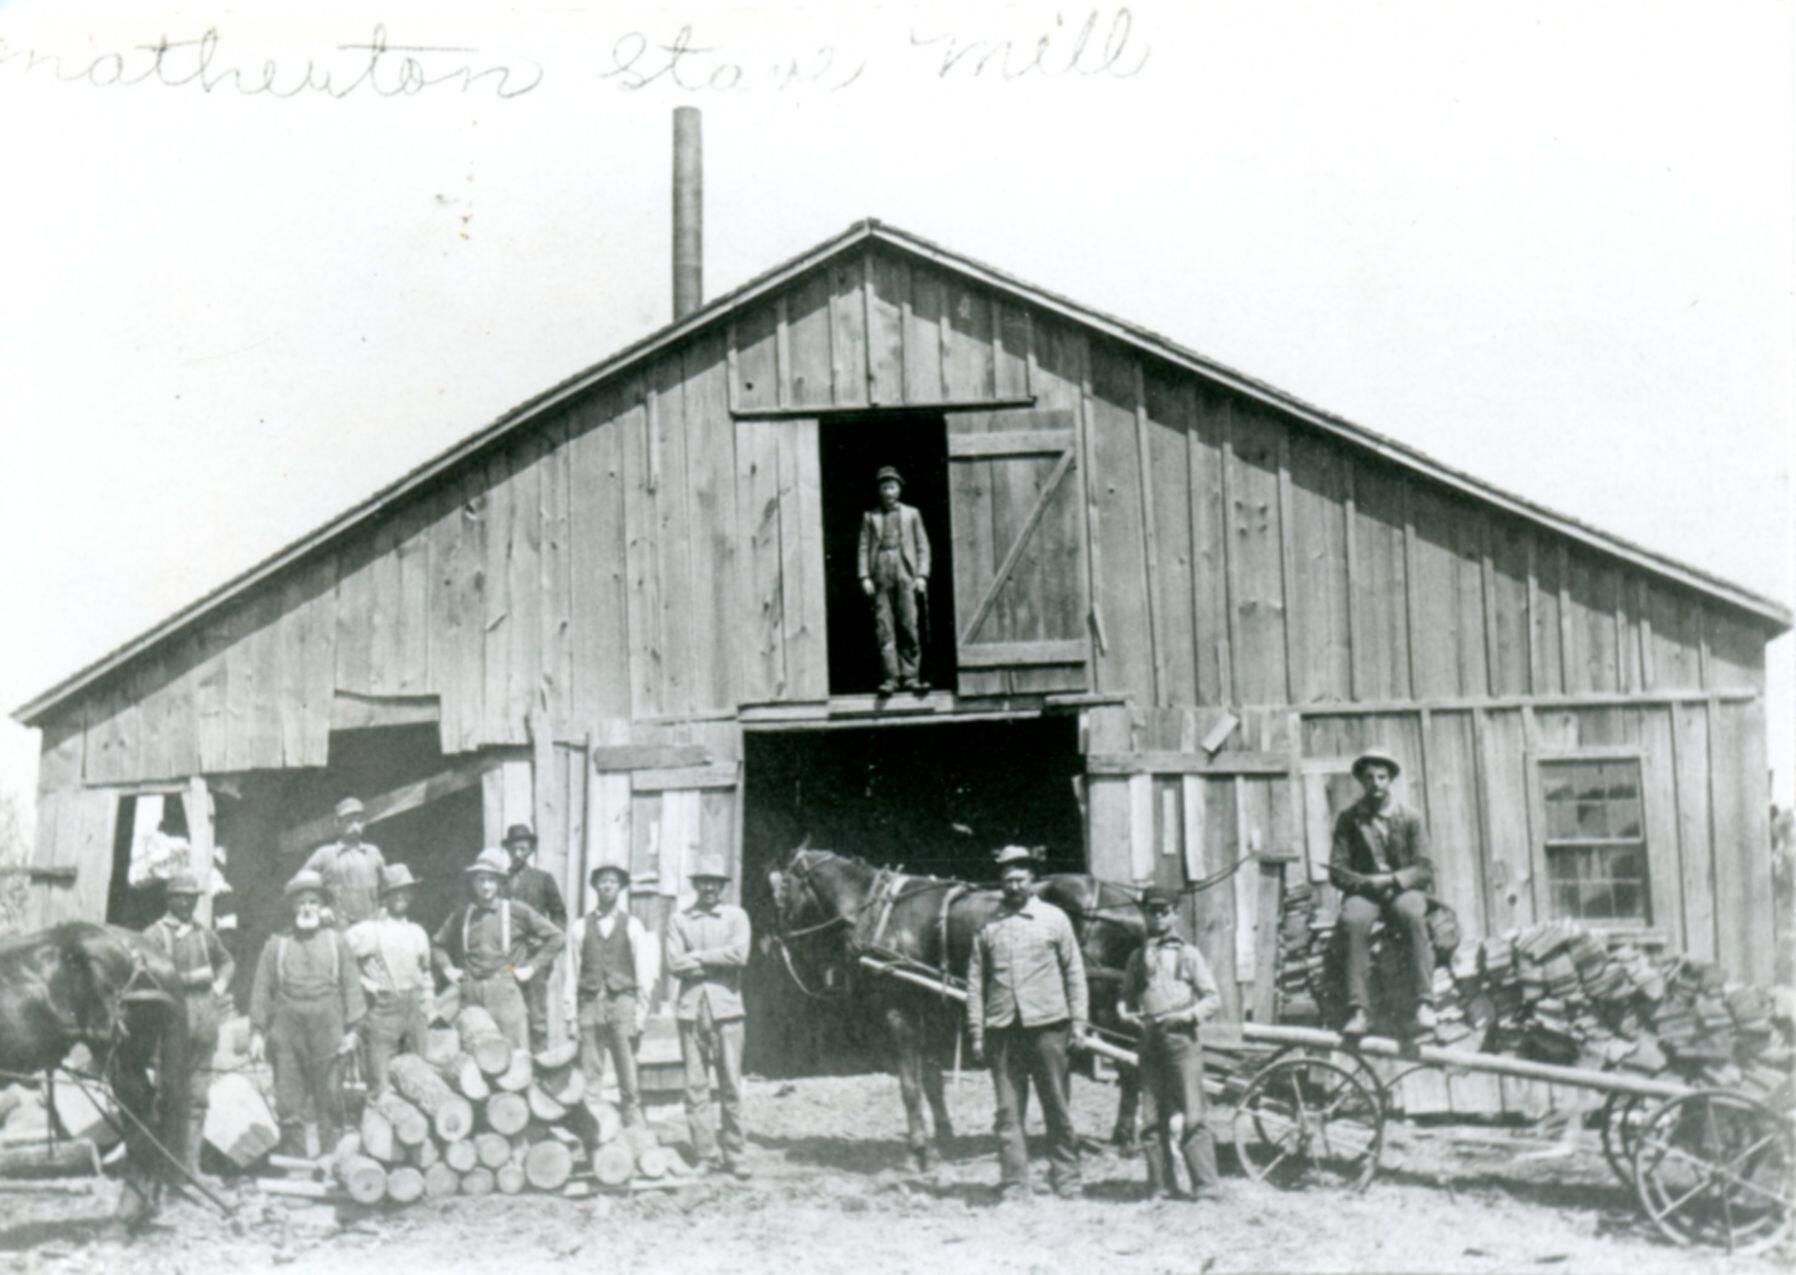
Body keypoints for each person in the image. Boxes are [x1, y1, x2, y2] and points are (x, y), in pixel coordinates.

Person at [966, 845, 1088, 1202]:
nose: (1014, 886)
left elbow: (1074, 973)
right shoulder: (988, 926)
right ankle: (1015, 1185)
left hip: (1049, 1028)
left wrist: (1079, 1022)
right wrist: (977, 1032)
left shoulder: (1054, 919)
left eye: (1020, 879)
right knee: (1008, 1113)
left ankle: (1067, 1180)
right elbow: (975, 984)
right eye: (1007, 880)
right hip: (1003, 1031)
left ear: (1033, 880)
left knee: (1058, 1107)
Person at [249, 870, 365, 1158]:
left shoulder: (336, 942)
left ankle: (331, 1159)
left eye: (313, 901)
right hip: (287, 1031)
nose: (307, 908)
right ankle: (294, 1161)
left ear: (322, 905)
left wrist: (354, 1031)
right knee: (288, 1097)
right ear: (292, 907)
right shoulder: (276, 944)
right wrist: (257, 1032)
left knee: (330, 1095)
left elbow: (352, 985)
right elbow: (262, 988)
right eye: (301, 902)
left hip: (328, 1028)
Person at [1118, 886, 1223, 1201]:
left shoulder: (1188, 954)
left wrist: (1186, 1016)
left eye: (1164, 911)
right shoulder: (1137, 957)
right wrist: (1126, 1014)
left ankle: (1206, 1187)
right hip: (1150, 1040)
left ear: (1175, 914)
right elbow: (1125, 997)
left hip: (1181, 1039)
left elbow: (1212, 999)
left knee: (1193, 1114)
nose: (1158, 917)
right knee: (1151, 1118)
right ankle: (1161, 1186)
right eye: (1152, 911)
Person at [1330, 746, 1437, 1035]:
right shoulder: (1349, 819)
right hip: (1366, 892)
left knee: (1414, 915)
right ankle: (1359, 1010)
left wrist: (1392, 880)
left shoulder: (1410, 817)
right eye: (1369, 778)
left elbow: (1425, 868)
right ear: (1361, 781)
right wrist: (1366, 882)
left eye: (1381, 777)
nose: (1375, 784)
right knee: (1352, 920)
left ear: (1390, 780)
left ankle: (1424, 1003)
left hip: (1403, 890)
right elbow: (1337, 870)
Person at [664, 854, 752, 1178]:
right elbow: (674, 964)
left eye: (715, 882)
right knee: (695, 1088)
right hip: (691, 1012)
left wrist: (698, 956)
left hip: (727, 1011)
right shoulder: (680, 919)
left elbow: (739, 955)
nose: (709, 888)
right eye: (704, 882)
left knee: (731, 1086)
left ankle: (735, 1154)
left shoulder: (736, 917)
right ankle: (706, 1155)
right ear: (696, 885)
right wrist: (716, 963)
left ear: (722, 886)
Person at [140, 872, 234, 1170]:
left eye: (192, 898)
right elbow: (143, 973)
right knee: (168, 1095)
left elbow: (227, 962)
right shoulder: (154, 935)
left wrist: (218, 988)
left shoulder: (204, 934)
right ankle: (165, 1166)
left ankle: (190, 1167)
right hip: (170, 1023)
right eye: (182, 897)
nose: (188, 904)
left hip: (204, 1023)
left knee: (198, 1097)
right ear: (170, 899)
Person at [432, 848, 564, 1050]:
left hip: (505, 990)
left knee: (515, 1055)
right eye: (481, 880)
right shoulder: (463, 914)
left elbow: (556, 937)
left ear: (500, 883)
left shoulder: (516, 910)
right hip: (471, 993)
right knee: (473, 1053)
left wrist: (531, 968)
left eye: (491, 880)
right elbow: (438, 944)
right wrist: (447, 968)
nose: (486, 886)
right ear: (473, 882)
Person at [563, 863, 658, 1128]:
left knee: (627, 1064)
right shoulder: (580, 927)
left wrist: (640, 1015)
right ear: (595, 886)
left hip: (622, 1003)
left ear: (620, 887)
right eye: (602, 881)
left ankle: (633, 1119)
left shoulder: (633, 926)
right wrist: (570, 1015)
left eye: (612, 882)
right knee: (590, 1066)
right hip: (589, 1003)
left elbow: (644, 973)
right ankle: (594, 1124)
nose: (607, 886)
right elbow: (572, 972)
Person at [345, 864, 433, 1096]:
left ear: (411, 894)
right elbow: (341, 959)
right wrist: (363, 982)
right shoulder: (367, 931)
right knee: (380, 1081)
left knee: (421, 1078)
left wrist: (428, 1000)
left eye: (405, 891)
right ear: (385, 897)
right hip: (383, 1011)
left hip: (415, 1009)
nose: (400, 897)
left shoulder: (417, 932)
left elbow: (426, 971)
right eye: (394, 892)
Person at [855, 465, 932, 695]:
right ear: (879, 491)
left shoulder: (912, 514)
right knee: (884, 626)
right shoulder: (870, 517)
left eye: (892, 487)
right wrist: (864, 576)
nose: (888, 492)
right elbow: (863, 547)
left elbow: (922, 546)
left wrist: (922, 575)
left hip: (905, 570)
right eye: (884, 488)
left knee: (908, 623)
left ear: (899, 489)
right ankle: (890, 678)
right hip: (881, 570)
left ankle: (910, 677)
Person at [501, 823, 568, 1052]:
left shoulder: (543, 879)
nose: (518, 853)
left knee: (537, 1012)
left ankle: (541, 1061)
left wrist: (545, 943)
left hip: (535, 957)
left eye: (523, 848)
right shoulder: (500, 881)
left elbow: (559, 914)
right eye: (514, 849)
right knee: (508, 1010)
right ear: (508, 850)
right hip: (509, 956)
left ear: (530, 850)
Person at [303, 797, 387, 929]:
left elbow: (387, 886)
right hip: (337, 928)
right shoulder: (324, 854)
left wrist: (384, 907)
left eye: (359, 821)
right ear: (337, 823)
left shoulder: (373, 852)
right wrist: (319, 909)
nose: (355, 826)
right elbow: (302, 886)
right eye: (349, 821)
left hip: (372, 926)